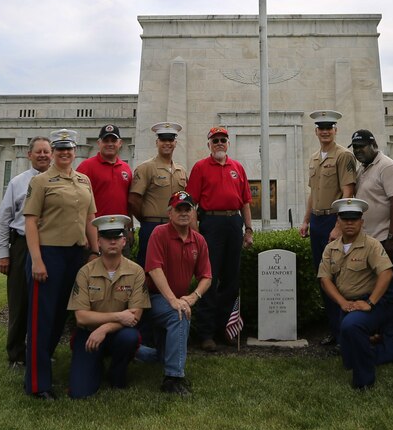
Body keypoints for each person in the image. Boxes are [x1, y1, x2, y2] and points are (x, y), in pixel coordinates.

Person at [22, 128, 99, 400]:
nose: (65, 153)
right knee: (41, 321)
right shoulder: (42, 181)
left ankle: (49, 365)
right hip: (48, 254)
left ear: (75, 152)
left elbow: (91, 219)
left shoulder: (84, 180)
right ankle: (37, 384)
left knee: (59, 319)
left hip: (76, 256)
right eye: (60, 149)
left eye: (69, 149)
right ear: (53, 152)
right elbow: (30, 221)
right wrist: (37, 260)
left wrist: (96, 252)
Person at [66, 214, 150, 398]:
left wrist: (104, 328)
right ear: (99, 242)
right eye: (107, 237)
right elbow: (81, 317)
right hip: (89, 335)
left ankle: (116, 372)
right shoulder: (85, 272)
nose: (112, 241)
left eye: (117, 237)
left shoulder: (136, 272)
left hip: (118, 334)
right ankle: (94, 364)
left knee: (130, 337)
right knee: (80, 393)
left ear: (124, 241)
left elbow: (135, 315)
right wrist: (118, 316)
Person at [318, 197, 393, 390]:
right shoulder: (331, 248)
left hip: (371, 305)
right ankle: (384, 352)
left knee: (352, 327)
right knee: (349, 357)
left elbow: (387, 273)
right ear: (338, 221)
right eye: (345, 219)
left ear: (362, 221)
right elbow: (324, 279)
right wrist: (342, 302)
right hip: (347, 305)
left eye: (354, 219)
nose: (350, 223)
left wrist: (369, 303)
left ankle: (364, 381)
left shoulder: (371, 245)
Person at [186, 126, 254, 351]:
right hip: (211, 225)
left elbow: (245, 201)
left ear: (228, 143)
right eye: (215, 140)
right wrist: (195, 232)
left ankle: (226, 328)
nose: (219, 144)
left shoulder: (238, 168)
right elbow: (191, 204)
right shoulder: (200, 167)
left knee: (231, 279)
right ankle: (206, 333)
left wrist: (249, 229)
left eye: (223, 140)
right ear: (209, 144)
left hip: (233, 223)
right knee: (210, 278)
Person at [348, 128, 393, 361]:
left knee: (392, 293)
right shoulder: (365, 168)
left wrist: (392, 237)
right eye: (355, 148)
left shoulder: (387, 166)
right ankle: (384, 339)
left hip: (388, 241)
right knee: (380, 293)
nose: (358, 151)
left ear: (373, 144)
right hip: (375, 241)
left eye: (361, 147)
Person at [143, 190, 213, 395]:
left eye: (187, 209)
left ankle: (143, 354)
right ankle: (173, 379)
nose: (183, 213)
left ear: (193, 214)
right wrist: (174, 300)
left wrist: (193, 297)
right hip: (153, 298)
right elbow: (154, 269)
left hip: (178, 300)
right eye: (178, 209)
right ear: (169, 213)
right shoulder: (159, 233)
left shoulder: (199, 240)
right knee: (179, 315)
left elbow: (206, 277)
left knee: (160, 354)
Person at [299, 109, 358, 346]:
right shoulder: (314, 158)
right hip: (317, 221)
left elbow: (348, 191)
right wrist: (305, 221)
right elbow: (313, 193)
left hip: (334, 221)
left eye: (329, 128)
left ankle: (346, 333)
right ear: (316, 132)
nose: (325, 132)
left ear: (335, 130)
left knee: (340, 278)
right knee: (323, 276)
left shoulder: (344, 156)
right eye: (321, 128)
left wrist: (338, 225)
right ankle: (335, 331)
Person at [0, 136, 53, 369]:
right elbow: (4, 219)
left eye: (46, 152)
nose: (42, 155)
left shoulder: (59, 181)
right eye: (37, 151)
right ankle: (17, 355)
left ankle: (41, 352)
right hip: (21, 246)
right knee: (19, 301)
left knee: (47, 302)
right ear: (29, 155)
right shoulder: (18, 183)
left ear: (52, 154)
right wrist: (3, 253)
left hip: (49, 245)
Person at [129, 122, 189, 266]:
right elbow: (133, 199)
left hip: (175, 227)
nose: (167, 143)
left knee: (174, 268)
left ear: (175, 143)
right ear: (157, 142)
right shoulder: (146, 168)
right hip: (152, 226)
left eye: (170, 140)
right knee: (150, 268)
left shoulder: (181, 171)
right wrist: (146, 219)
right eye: (163, 139)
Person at [76, 124, 134, 240]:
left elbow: (129, 202)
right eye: (106, 140)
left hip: (120, 232)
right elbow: (78, 202)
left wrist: (131, 228)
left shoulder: (126, 168)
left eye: (113, 140)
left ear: (120, 143)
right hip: (96, 231)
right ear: (99, 143)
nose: (110, 144)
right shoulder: (86, 167)